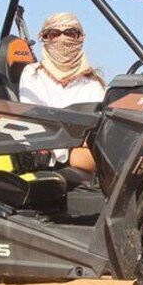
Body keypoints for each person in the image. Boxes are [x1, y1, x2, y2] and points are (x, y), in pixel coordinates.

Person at [19, 12, 105, 172]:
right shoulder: (32, 74)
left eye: (70, 33)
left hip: (86, 157)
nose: (62, 39)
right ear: (44, 38)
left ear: (81, 37)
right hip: (45, 158)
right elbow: (35, 124)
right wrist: (70, 148)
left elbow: (99, 131)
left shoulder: (94, 83)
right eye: (54, 34)